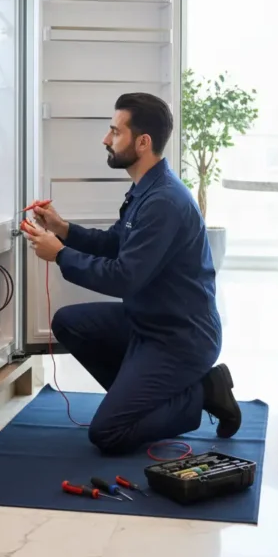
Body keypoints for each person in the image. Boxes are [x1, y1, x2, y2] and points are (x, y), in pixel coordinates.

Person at [23, 92, 241, 455]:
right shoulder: (148, 189)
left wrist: (59, 254)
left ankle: (205, 392)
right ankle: (140, 399)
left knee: (108, 434)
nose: (105, 139)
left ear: (143, 142)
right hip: (148, 322)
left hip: (180, 338)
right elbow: (115, 243)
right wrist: (63, 229)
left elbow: (124, 277)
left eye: (115, 131)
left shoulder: (164, 201)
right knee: (68, 323)